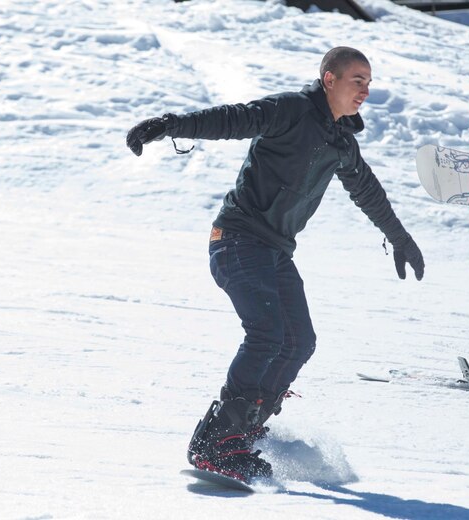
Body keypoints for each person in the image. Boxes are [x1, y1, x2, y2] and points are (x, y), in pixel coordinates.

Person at [126, 47, 424, 482]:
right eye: (356, 79)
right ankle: (216, 440)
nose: (365, 89)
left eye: (369, 81)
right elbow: (233, 118)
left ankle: (243, 434)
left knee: (299, 341)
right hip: (237, 240)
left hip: (275, 252)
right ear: (329, 79)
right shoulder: (291, 110)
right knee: (267, 333)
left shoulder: (341, 141)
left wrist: (400, 239)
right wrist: (171, 124)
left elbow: (368, 191)